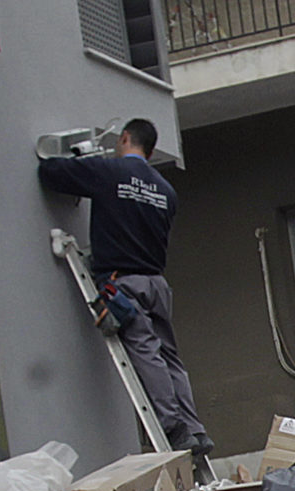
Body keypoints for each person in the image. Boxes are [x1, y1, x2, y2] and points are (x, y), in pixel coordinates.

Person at [37, 118, 212, 458]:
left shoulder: (110, 173)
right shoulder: (165, 190)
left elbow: (51, 174)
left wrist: (74, 159)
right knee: (169, 357)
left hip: (123, 282)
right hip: (156, 283)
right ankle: (194, 429)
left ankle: (172, 427)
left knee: (145, 352)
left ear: (126, 138)